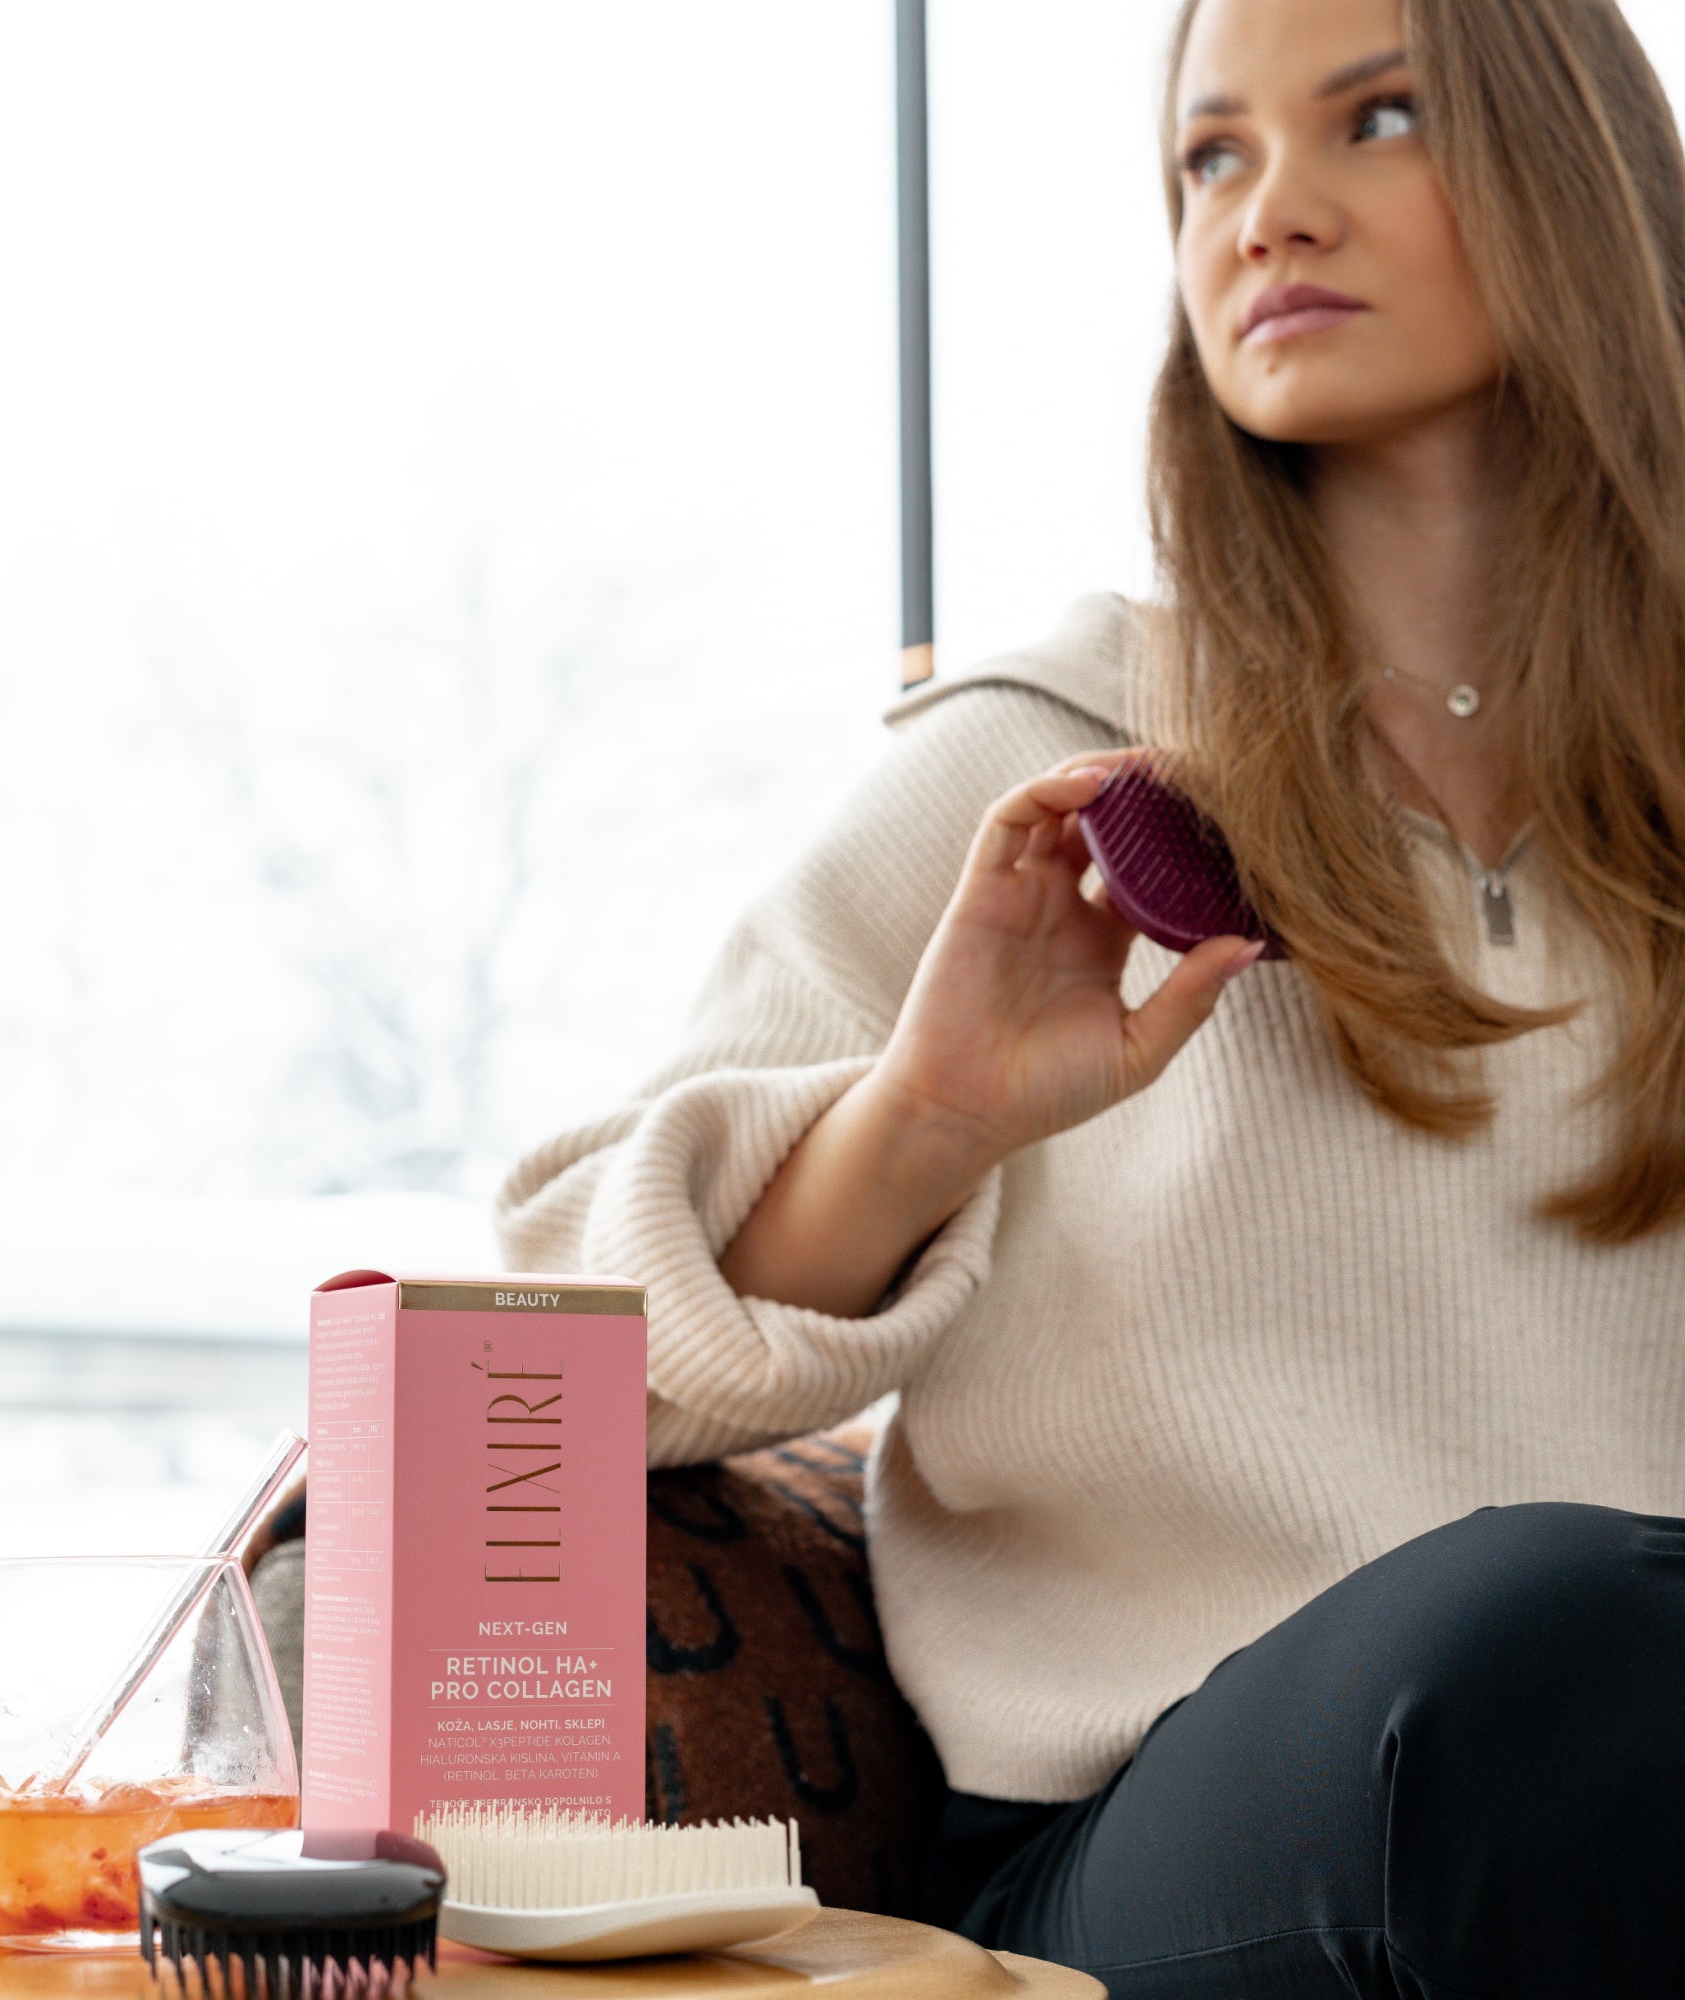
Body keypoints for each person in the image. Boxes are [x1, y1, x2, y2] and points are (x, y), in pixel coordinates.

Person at [496, 0, 1685, 1989]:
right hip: (1151, 1851)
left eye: (1376, 121)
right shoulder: (1053, 759)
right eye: (1212, 155)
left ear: (1579, 179)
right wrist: (924, 1123)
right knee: (1532, 1656)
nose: (1266, 210)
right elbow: (538, 1364)